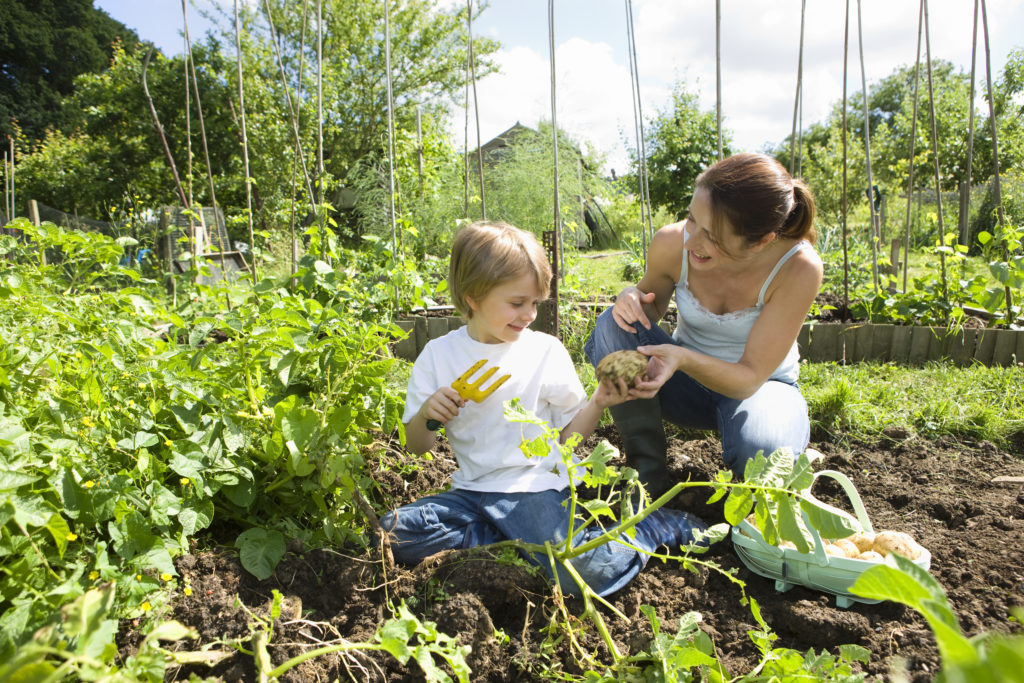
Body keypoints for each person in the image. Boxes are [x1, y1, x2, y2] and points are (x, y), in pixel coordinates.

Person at [381, 221, 706, 598]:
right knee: (392, 533)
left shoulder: (544, 351)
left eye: (535, 303)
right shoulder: (439, 356)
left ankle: (650, 528)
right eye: (517, 303)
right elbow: (417, 446)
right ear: (473, 296)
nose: (529, 314)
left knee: (584, 575)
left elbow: (568, 440)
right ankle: (515, 544)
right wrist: (427, 415)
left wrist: (598, 401)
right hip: (472, 494)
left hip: (533, 488)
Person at [585, 153, 823, 495]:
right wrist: (630, 297)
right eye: (692, 220)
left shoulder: (798, 267)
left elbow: (749, 378)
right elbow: (646, 305)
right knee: (613, 323)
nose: (692, 240)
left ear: (761, 241)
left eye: (713, 236)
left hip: (759, 389)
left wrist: (682, 358)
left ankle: (767, 462)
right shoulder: (672, 242)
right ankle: (646, 472)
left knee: (766, 456)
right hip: (682, 385)